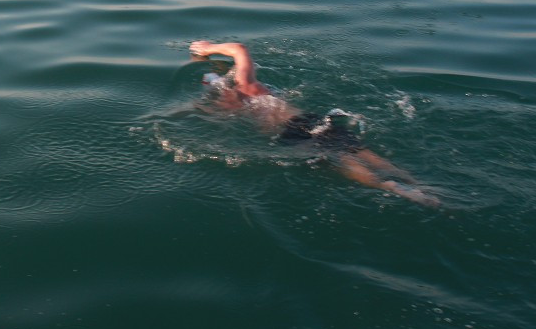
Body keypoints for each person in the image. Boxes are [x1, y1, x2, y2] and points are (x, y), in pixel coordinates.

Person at [188, 41, 439, 207]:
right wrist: (209, 48)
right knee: (361, 151)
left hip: (289, 134)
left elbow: (210, 120)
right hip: (309, 119)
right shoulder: (250, 85)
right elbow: (240, 49)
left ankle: (389, 186)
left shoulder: (226, 105)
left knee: (341, 161)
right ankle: (415, 182)